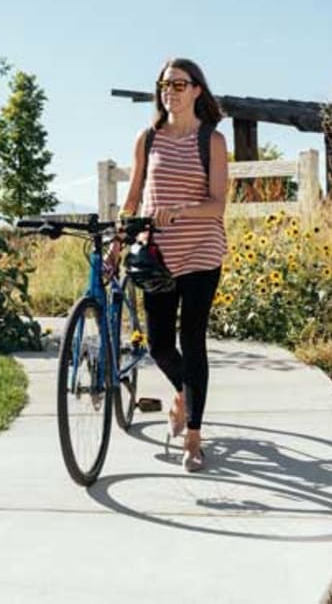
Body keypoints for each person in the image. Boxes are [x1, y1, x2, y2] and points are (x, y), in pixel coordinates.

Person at [120, 57, 228, 472]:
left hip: (201, 251)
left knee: (193, 340)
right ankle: (184, 395)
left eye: (180, 85)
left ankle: (195, 440)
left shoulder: (211, 141)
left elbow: (218, 205)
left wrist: (179, 210)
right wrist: (120, 241)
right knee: (160, 345)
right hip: (157, 255)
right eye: (165, 85)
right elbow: (133, 198)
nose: (171, 92)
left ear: (197, 90)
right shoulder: (148, 139)